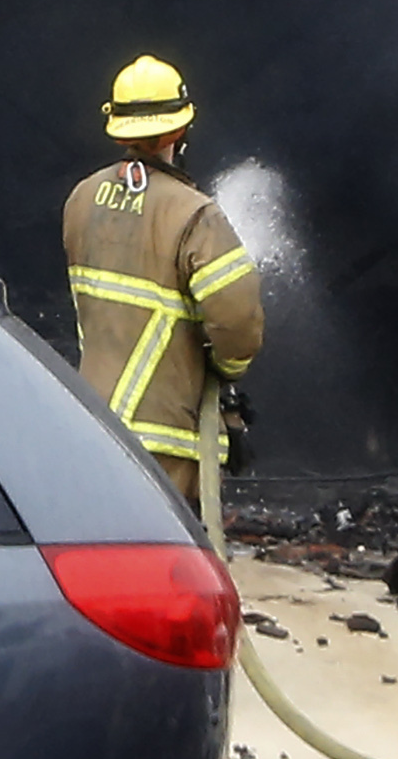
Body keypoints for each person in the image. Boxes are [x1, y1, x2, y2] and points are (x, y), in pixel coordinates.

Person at [62, 56, 266, 523]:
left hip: (92, 422)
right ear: (179, 130)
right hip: (164, 442)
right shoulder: (196, 215)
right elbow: (237, 323)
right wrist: (228, 370)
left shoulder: (82, 199)